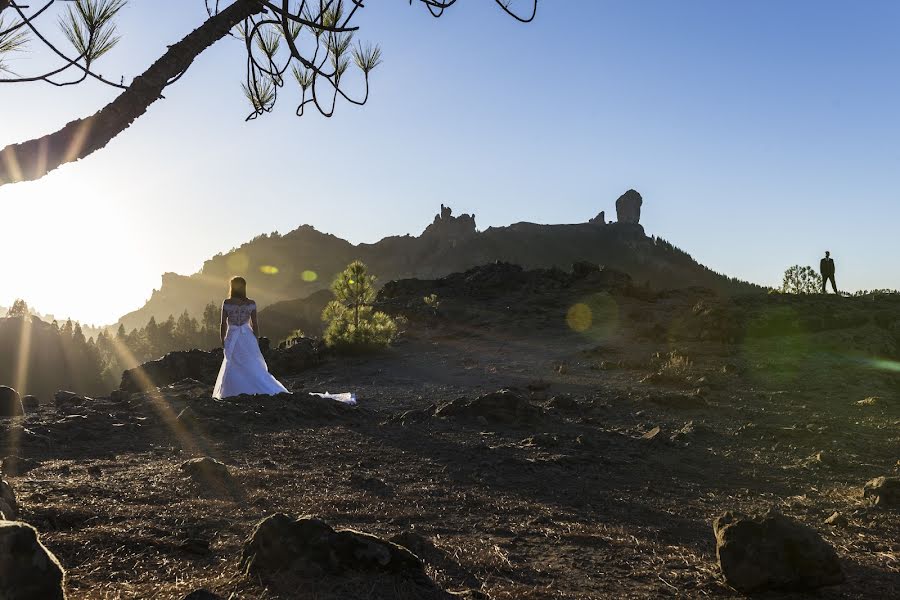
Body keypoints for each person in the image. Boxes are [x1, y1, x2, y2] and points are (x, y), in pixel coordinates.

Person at [212, 276, 289, 399]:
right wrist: (256, 339)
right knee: (251, 362)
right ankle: (254, 387)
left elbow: (223, 324)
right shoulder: (251, 303)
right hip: (247, 336)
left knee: (233, 363)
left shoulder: (227, 303)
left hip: (232, 336)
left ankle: (231, 391)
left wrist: (223, 339)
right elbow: (255, 324)